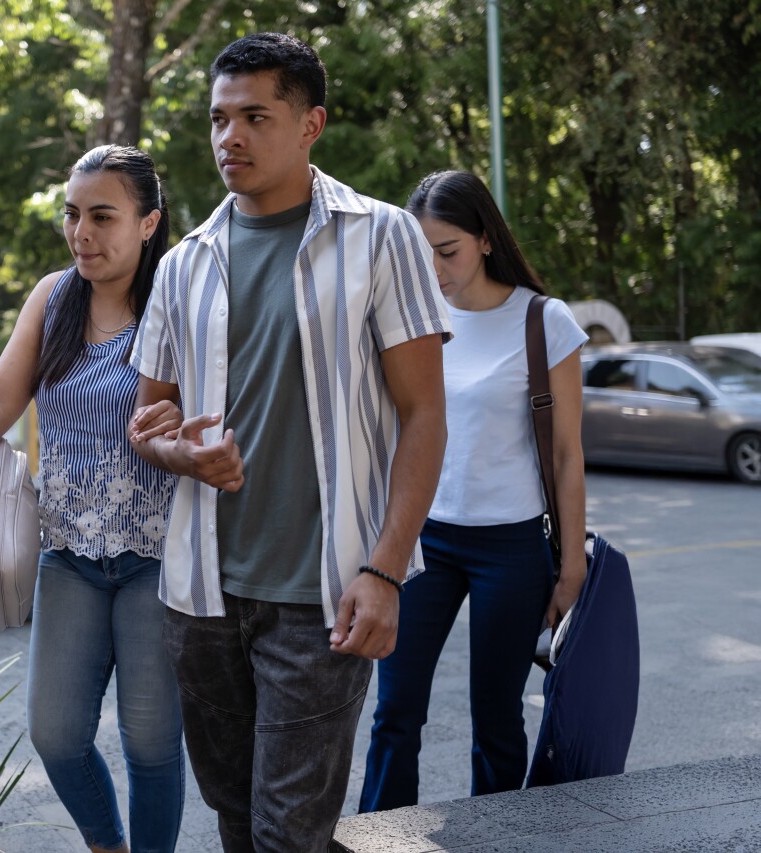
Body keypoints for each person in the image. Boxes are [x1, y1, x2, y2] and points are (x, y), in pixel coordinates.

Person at [126, 33, 452, 853]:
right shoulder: (183, 264)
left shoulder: (384, 236)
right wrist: (181, 455)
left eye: (254, 117)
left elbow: (424, 413)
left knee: (286, 832)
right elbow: (147, 421)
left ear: (311, 125)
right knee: (238, 819)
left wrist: (385, 571)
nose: (229, 136)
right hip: (200, 595)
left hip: (325, 595)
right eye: (218, 118)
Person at [0, 145, 185, 853]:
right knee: (55, 734)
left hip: (158, 556)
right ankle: (108, 845)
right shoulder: (53, 298)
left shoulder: (177, 302)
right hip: (68, 553)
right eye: (73, 214)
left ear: (148, 223)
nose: (81, 232)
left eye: (102, 216)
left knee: (151, 741)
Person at [358, 169, 589, 811]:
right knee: (395, 712)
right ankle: (378, 837)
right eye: (421, 253)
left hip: (512, 548)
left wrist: (572, 566)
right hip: (420, 540)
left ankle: (500, 836)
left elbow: (567, 455)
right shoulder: (408, 320)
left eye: (448, 250)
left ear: (486, 239)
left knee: (497, 718)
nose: (434, 269)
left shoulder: (544, 321)